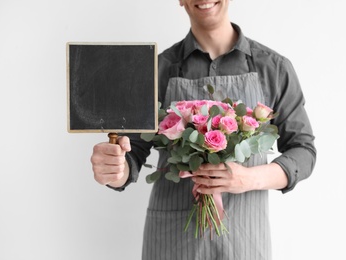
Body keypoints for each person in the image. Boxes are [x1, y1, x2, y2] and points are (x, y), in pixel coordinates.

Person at [90, 0, 316, 259]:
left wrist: (249, 178)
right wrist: (115, 168)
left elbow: (303, 150)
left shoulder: (273, 68)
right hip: (173, 239)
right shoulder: (158, 70)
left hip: (244, 239)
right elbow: (133, 154)